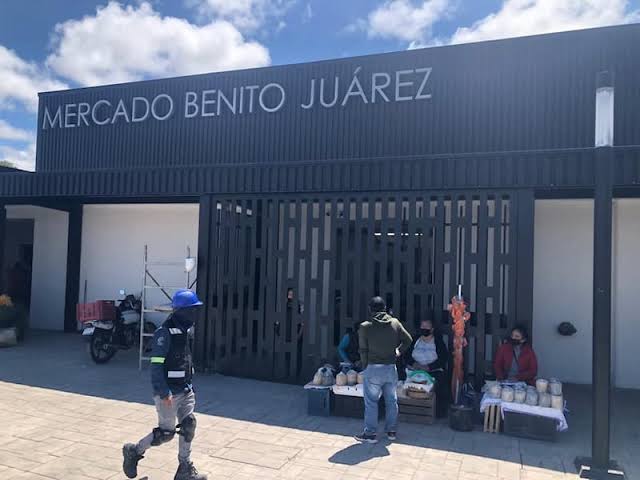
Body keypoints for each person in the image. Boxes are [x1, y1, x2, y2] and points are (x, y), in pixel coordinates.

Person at [122, 290, 207, 480]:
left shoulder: (184, 331)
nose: (194, 314)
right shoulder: (164, 332)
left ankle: (184, 469)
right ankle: (134, 451)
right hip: (169, 393)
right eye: (192, 310)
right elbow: (156, 365)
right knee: (166, 434)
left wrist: (189, 383)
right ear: (181, 311)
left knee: (189, 424)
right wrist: (163, 391)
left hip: (185, 389)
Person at [355, 297, 412, 444]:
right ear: (385, 308)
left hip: (373, 368)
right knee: (391, 401)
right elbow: (408, 340)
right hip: (390, 368)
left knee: (371, 402)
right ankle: (391, 431)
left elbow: (363, 350)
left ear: (370, 309)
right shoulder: (395, 323)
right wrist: (398, 351)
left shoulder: (365, 327)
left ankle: (371, 434)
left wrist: (365, 366)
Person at [404, 319, 449, 417]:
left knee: (441, 381)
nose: (424, 329)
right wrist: (414, 364)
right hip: (414, 370)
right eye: (422, 327)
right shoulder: (415, 340)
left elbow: (443, 358)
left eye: (426, 327)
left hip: (432, 371)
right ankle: (408, 408)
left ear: (432, 329)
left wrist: (429, 367)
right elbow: (406, 355)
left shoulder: (438, 342)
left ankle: (438, 412)